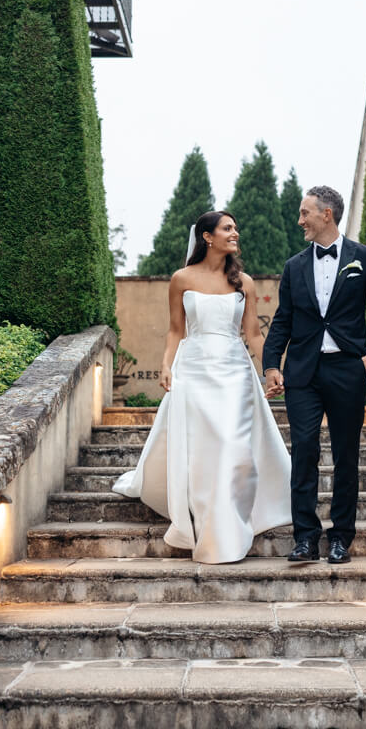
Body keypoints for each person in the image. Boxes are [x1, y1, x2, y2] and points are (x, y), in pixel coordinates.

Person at [112, 211, 292, 563]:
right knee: (203, 450)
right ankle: (205, 520)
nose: (235, 233)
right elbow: (176, 330)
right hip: (193, 369)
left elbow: (254, 334)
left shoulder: (245, 283)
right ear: (207, 237)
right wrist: (166, 364)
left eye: (235, 228)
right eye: (228, 228)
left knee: (232, 446)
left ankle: (225, 530)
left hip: (234, 371)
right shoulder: (181, 279)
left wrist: (271, 369)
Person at [261, 185, 366, 564]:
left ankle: (341, 538)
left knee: (345, 456)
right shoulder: (294, 266)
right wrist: (272, 365)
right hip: (303, 373)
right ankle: (305, 537)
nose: (300, 220)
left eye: (305, 213)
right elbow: (282, 321)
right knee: (303, 452)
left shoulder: (364, 259)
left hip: (348, 370)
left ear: (326, 215)